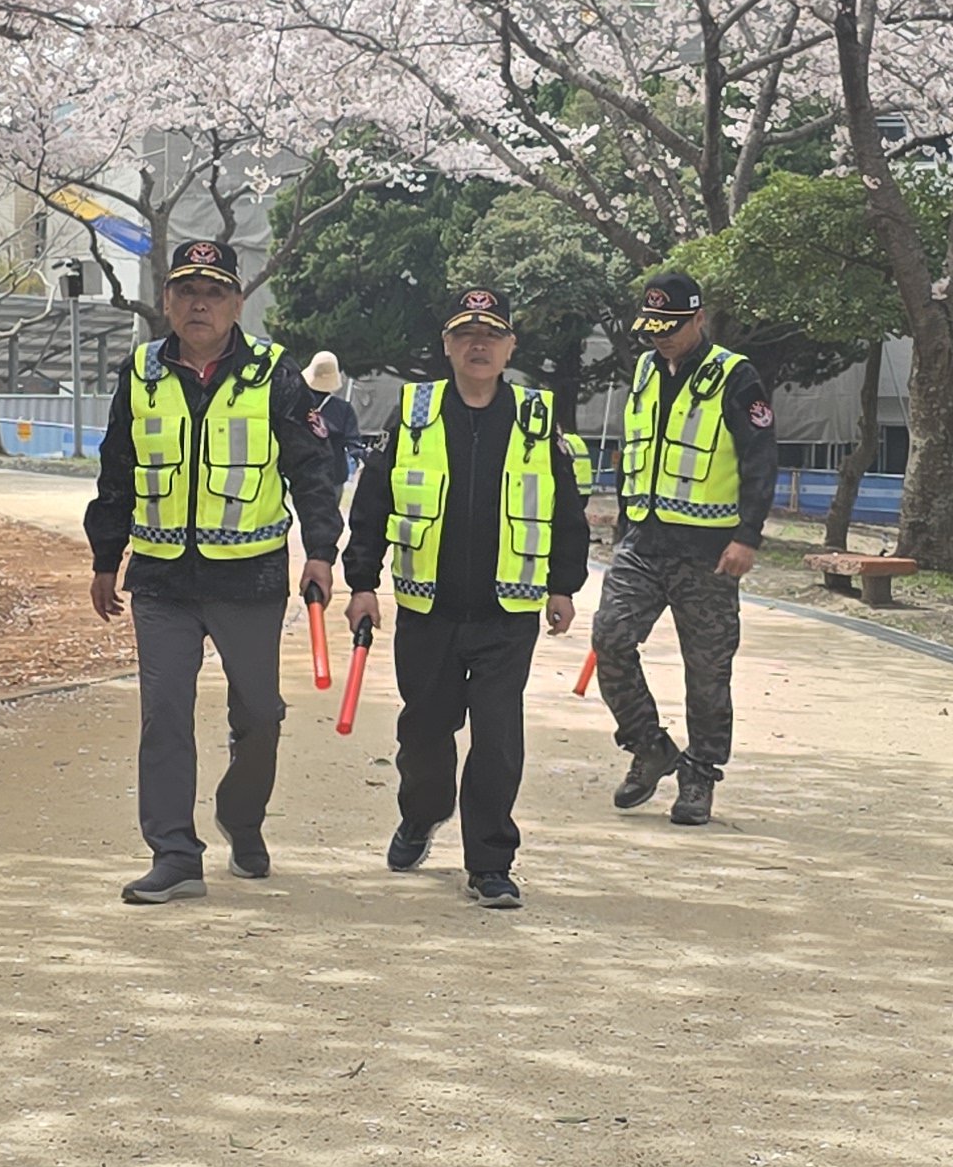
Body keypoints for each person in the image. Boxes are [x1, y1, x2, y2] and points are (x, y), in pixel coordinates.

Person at [85, 236, 347, 903]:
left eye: (214, 293)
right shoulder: (141, 372)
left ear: (237, 302)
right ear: (168, 300)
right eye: (187, 292)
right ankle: (175, 854)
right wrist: (105, 559)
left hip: (248, 578)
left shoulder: (274, 373)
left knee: (259, 713)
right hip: (162, 581)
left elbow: (313, 470)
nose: (199, 304)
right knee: (165, 714)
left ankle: (242, 817)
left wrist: (321, 552)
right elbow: (117, 469)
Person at [342, 288, 591, 909]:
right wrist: (362, 583)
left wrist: (563, 584)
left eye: (491, 335)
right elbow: (373, 503)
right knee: (425, 734)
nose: (478, 345)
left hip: (508, 613)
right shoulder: (414, 414)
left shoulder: (537, 420)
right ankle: (422, 814)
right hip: (429, 609)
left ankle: (490, 863)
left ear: (510, 347)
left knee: (498, 741)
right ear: (448, 346)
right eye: (466, 335)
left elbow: (566, 510)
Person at [589, 268, 776, 826]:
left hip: (709, 552)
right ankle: (649, 746)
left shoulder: (735, 376)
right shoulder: (646, 370)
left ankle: (700, 775)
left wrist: (747, 536)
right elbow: (635, 448)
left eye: (671, 327)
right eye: (653, 328)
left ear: (699, 318)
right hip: (643, 543)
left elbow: (760, 459)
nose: (661, 338)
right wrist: (624, 520)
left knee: (708, 671)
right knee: (610, 639)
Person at [305, 349, 363, 479]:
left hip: (302, 471)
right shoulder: (343, 409)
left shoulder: (296, 404)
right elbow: (353, 443)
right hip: (335, 472)